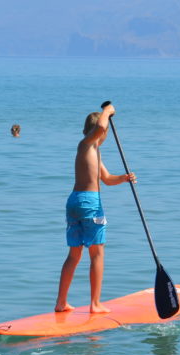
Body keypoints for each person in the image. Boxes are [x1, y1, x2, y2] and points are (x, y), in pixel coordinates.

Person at [54, 103, 136, 313]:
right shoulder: (87, 144)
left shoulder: (93, 151)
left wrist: (124, 178)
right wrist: (108, 111)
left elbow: (107, 179)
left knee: (74, 255)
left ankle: (61, 303)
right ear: (103, 130)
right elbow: (99, 128)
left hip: (74, 202)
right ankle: (95, 304)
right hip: (90, 203)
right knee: (97, 254)